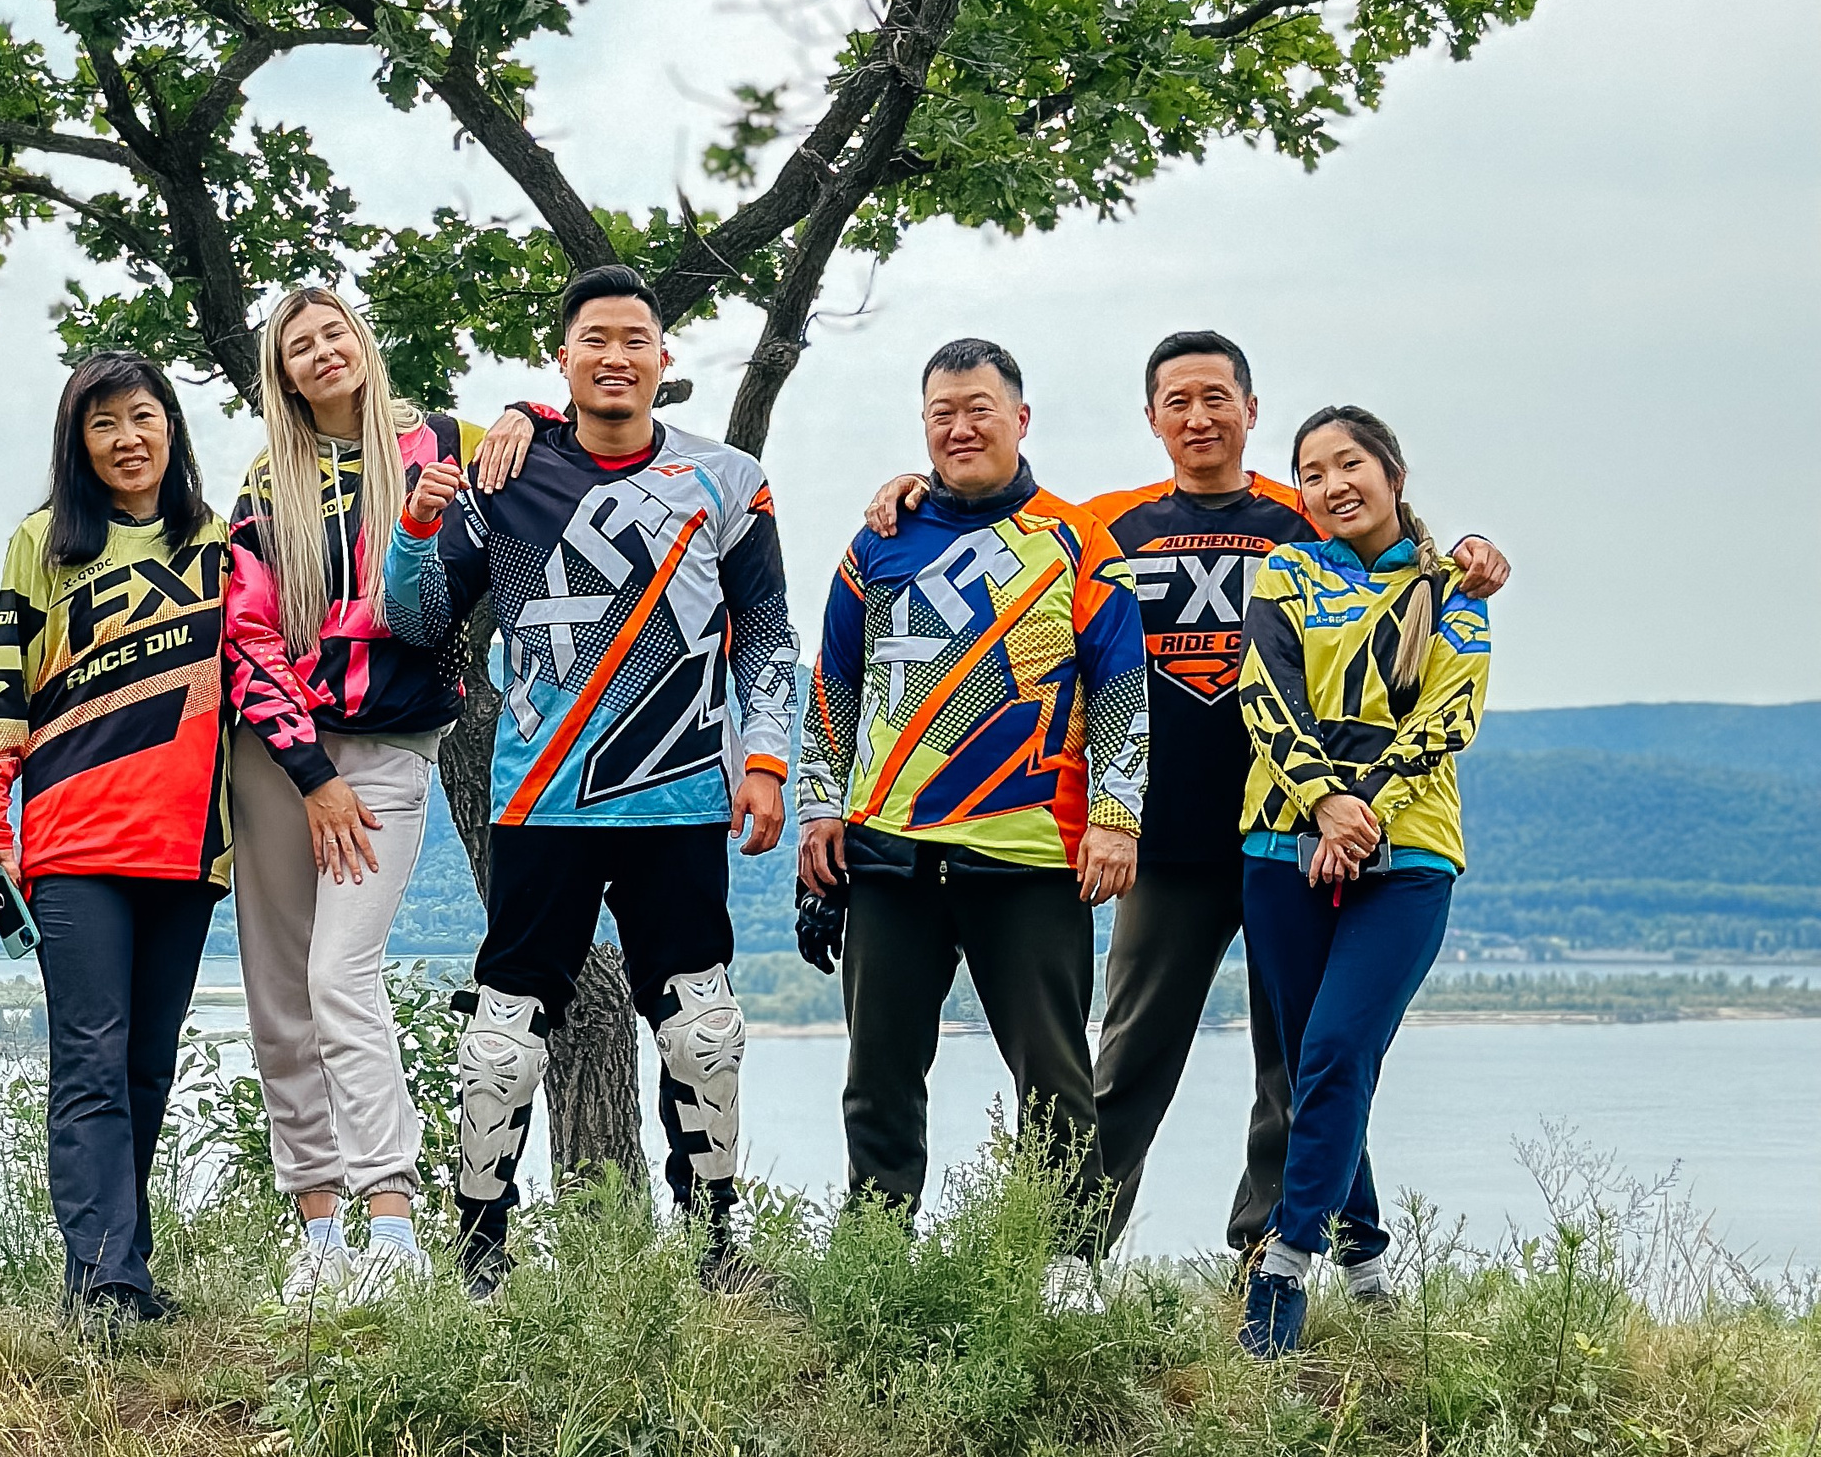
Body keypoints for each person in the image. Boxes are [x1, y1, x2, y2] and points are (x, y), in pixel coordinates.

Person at [862, 329, 1508, 1263]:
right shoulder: (1102, 525)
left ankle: (1262, 1256)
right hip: (1158, 842)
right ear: (1152, 418)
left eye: (1217, 397)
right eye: (1177, 400)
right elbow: (1000, 513)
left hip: (1285, 834)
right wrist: (906, 489)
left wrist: (1474, 548)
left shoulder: (1307, 515)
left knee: (1293, 1066)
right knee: (1125, 1063)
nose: (1198, 416)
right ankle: (1066, 1259)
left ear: (1251, 409)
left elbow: (1405, 553)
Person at [382, 264, 800, 1293]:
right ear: (560, 357)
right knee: (500, 1039)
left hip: (683, 793)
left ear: (664, 359)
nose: (615, 356)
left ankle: (714, 1246)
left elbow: (769, 631)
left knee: (702, 1029)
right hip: (542, 797)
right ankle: (479, 1254)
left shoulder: (729, 479)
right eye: (594, 339)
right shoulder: (504, 474)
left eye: (635, 339)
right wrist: (412, 530)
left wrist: (766, 758)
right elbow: (419, 619)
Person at [223, 285, 537, 1304]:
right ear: (282, 371)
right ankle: (317, 1227)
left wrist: (527, 414)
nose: (321, 352)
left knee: (338, 975)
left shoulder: (442, 437)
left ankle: (390, 1222)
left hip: (392, 749)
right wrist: (307, 773)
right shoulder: (269, 479)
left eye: (334, 333)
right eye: (298, 345)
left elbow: (553, 439)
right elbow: (248, 631)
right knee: (280, 997)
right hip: (279, 760)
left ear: (364, 341)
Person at [803, 336, 1145, 1253]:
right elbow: (833, 675)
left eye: (979, 408)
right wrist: (817, 801)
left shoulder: (1077, 541)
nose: (961, 427)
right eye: (941, 412)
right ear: (922, 425)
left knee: (1054, 1077)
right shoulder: (878, 538)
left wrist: (1116, 818)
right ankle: (874, 1256)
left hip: (1029, 853)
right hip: (887, 849)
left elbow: (1122, 686)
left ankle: (1072, 1265)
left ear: (1020, 419)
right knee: (878, 1072)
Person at [0, 351, 232, 1329]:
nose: (127, 437)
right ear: (78, 442)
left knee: (147, 1062)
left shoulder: (219, 543)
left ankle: (125, 1266)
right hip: (75, 841)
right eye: (103, 422)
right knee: (91, 1055)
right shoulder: (44, 542)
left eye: (143, 415)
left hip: (190, 842)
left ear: (172, 425)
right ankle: (105, 1279)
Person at [1235, 402, 1490, 1357]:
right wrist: (1320, 804)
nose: (1332, 484)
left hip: (1409, 857)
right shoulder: (1286, 571)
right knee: (1316, 1069)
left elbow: (1450, 714)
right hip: (1280, 849)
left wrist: (1360, 805)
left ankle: (1286, 1262)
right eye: (1311, 471)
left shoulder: (1453, 583)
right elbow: (1266, 697)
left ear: (1392, 471)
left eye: (1349, 464)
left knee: (1340, 1049)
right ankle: (1371, 1265)